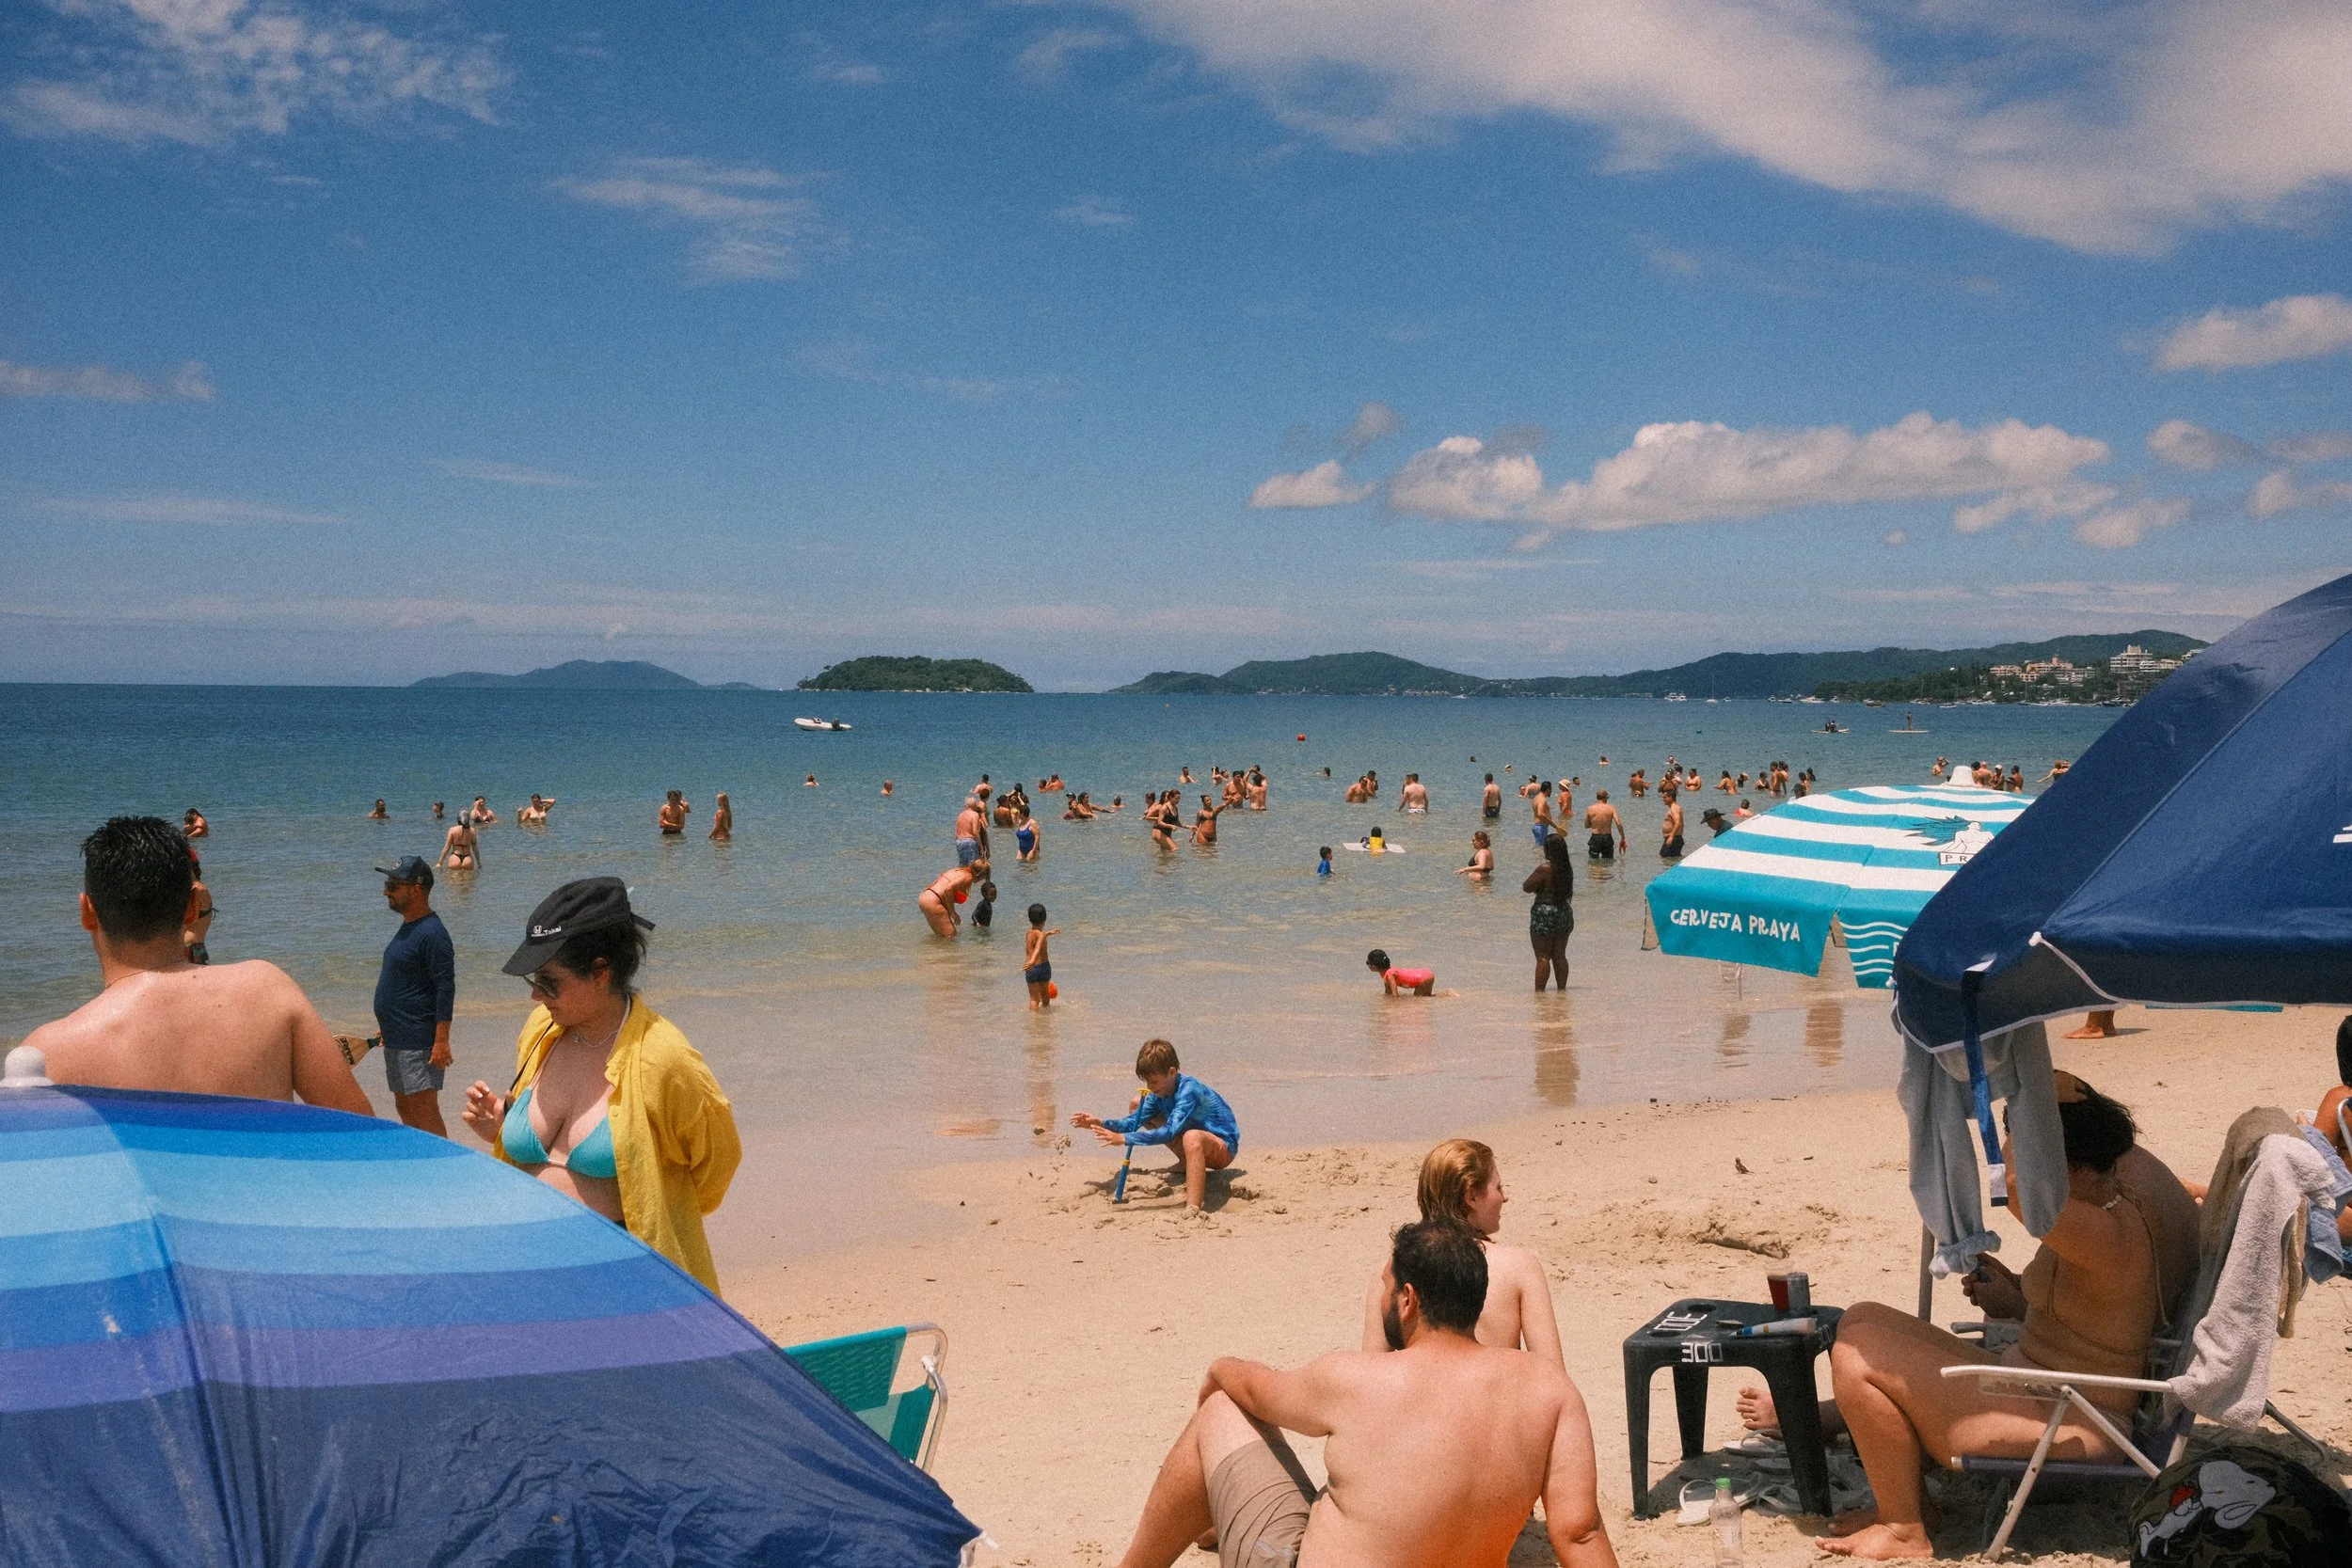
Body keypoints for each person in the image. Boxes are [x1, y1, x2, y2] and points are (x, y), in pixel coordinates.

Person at [1736, 1080, 2161, 1560]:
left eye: (2038, 1150)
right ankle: (1905, 1497)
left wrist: (2025, 1104)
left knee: (1855, 1358)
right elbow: (2086, 1313)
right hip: (2041, 1383)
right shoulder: (2104, 1205)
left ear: (2070, 1166)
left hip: (2074, 1418)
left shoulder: (2101, 1229)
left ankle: (1904, 1529)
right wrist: (2014, 1291)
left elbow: (2015, 1188)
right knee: (1862, 1319)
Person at [1113, 1221, 1616, 1568]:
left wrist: (1219, 1369)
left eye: (1385, 1285)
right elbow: (1580, 1534)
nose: (1381, 1297)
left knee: (1224, 1409)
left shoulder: (1358, 1377)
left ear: (1408, 1299)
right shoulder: (1550, 1390)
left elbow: (1257, 1392)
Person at [460, 878, 739, 1293]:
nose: (536, 995)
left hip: (619, 1281)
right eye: (533, 980)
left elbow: (717, 1165)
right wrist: (505, 1128)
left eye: (549, 982)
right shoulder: (542, 1030)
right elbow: (555, 1147)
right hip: (525, 1269)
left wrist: (659, 1198)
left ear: (600, 972)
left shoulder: (664, 1059)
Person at [31, 816, 372, 1114]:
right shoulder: (268, 991)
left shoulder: (47, 1055)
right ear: (193, 907)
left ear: (87, 912)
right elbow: (361, 1137)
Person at [1361, 1140, 1562, 1366]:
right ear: (1471, 1197)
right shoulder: (1519, 1266)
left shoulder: (1389, 1271)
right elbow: (1552, 1372)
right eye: (1497, 1187)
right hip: (1494, 1398)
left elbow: (1371, 1372)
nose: (1504, 1197)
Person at [1073, 1038, 1236, 1217]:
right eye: (1147, 1082)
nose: (1150, 1087)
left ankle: (1193, 1208)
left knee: (1192, 1137)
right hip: (1193, 1139)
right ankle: (1187, 1161)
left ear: (1171, 1072)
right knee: (1138, 1104)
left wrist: (1125, 1139)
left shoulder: (1189, 1090)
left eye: (1154, 1082)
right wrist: (1101, 1123)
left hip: (1222, 1147)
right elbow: (1132, 1123)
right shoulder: (1159, 1093)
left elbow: (1170, 1132)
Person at [373, 855, 455, 1136]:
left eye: (394, 885)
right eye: (387, 883)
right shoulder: (410, 928)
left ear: (417, 889)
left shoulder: (433, 933)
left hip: (419, 1042)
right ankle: (422, 1169)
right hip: (398, 1038)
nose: (386, 890)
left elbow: (445, 987)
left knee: (424, 1112)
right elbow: (406, 985)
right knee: (405, 1108)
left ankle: (445, 1172)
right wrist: (388, 1025)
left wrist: (441, 1040)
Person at [1524, 833, 1573, 990]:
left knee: (1542, 957)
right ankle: (1561, 992)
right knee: (1560, 955)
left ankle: (1539, 994)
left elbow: (1527, 887)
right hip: (1563, 911)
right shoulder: (1567, 868)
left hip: (1545, 913)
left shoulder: (1545, 868)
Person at [918, 860, 985, 939]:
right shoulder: (968, 877)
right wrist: (953, 913)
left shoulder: (957, 871)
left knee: (941, 937)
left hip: (925, 897)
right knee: (951, 937)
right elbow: (948, 889)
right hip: (933, 901)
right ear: (981, 874)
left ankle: (931, 950)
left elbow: (943, 887)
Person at [1024, 904, 1057, 1009]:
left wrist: (1048, 933)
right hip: (1043, 967)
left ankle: (1034, 1020)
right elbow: (1038, 948)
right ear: (1045, 919)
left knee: (1034, 998)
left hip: (1031, 969)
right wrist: (1033, 961)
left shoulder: (1028, 933)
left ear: (1030, 919)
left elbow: (1037, 936)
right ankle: (1046, 1012)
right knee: (1044, 993)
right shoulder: (1041, 935)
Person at [1366, 948, 1436, 996]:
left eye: (1368, 963)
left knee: (1418, 999)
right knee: (1424, 997)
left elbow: (1395, 995)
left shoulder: (1389, 975)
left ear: (1374, 966)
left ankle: (1443, 996)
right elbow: (1388, 992)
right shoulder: (1386, 973)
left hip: (1424, 979)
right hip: (1426, 974)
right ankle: (1444, 996)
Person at [183, 871, 214, 965]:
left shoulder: (198, 889)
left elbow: (190, 919)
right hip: (193, 947)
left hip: (191, 948)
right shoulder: (197, 888)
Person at [1583, 790, 1625, 860]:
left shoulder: (1590, 808)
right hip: (1607, 837)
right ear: (1606, 797)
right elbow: (1618, 823)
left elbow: (1586, 825)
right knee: (1608, 861)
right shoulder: (1611, 808)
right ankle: (1605, 870)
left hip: (1595, 838)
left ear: (1597, 798)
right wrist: (1622, 836)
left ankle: (1596, 870)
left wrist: (1595, 824)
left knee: (1593, 861)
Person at [954, 796, 987, 866]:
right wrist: (981, 847)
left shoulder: (960, 815)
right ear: (975, 805)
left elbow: (957, 833)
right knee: (973, 866)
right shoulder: (975, 814)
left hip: (959, 841)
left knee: (963, 866)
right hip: (969, 842)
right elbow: (975, 831)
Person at [1529, 779, 1554, 847]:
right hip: (1541, 827)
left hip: (1537, 826)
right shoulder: (1542, 799)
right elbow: (1540, 813)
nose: (1551, 791)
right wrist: (1551, 822)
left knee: (1539, 848)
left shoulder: (1536, 797)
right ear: (1548, 789)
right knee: (1541, 849)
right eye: (1551, 789)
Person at [1660, 791, 1684, 859]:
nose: (1663, 799)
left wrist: (1671, 837)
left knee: (1665, 858)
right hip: (1674, 838)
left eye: (1665, 797)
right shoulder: (1673, 808)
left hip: (1674, 838)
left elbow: (1678, 823)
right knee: (1670, 859)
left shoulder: (1674, 808)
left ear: (1671, 797)